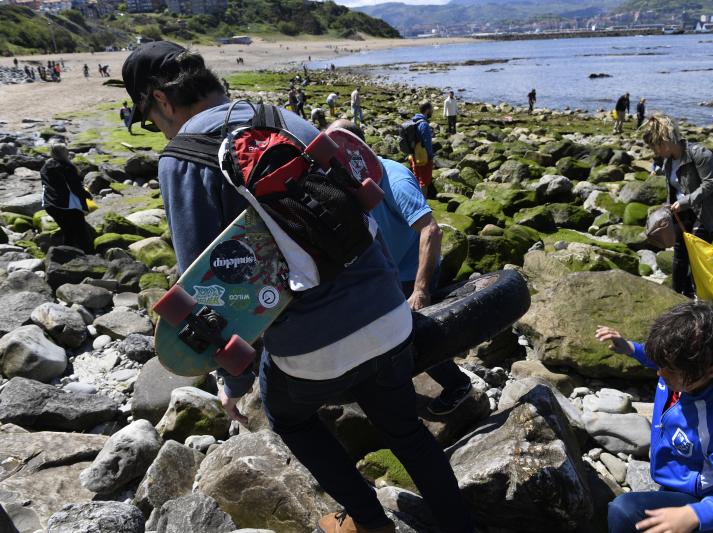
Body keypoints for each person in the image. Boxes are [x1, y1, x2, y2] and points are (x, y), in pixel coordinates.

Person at [122, 41, 473, 533]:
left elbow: (209, 288)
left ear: (160, 99)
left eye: (152, 119)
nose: (160, 130)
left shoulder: (183, 157)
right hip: (391, 316)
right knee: (407, 431)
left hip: (313, 352)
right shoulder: (283, 117)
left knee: (290, 418)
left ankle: (370, 521)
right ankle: (462, 525)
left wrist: (235, 384)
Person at [329, 119, 473, 415]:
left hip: (413, 270)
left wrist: (421, 290)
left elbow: (431, 231)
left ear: (356, 148)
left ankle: (458, 384)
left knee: (408, 333)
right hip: (383, 270)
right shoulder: (345, 179)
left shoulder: (394, 178)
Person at [596, 302, 713, 533]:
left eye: (668, 369)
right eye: (660, 364)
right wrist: (630, 348)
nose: (659, 373)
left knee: (624, 511)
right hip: (677, 483)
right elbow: (659, 358)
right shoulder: (682, 374)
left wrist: (695, 514)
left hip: (707, 504)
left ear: (712, 371)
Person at [640, 114, 713, 298]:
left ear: (665, 141)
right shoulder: (667, 159)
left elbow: (711, 183)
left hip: (709, 211)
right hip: (684, 210)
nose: (653, 152)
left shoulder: (699, 154)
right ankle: (677, 295)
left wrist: (684, 202)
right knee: (680, 251)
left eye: (654, 147)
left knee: (697, 254)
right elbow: (674, 185)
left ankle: (707, 287)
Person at [40, 144, 93, 253]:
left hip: (49, 204)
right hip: (66, 205)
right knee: (81, 232)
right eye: (65, 150)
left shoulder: (45, 167)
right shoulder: (66, 167)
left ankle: (65, 255)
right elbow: (75, 187)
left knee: (68, 231)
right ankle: (90, 254)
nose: (68, 151)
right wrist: (86, 195)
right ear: (62, 152)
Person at [409, 102, 434, 197]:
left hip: (414, 156)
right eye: (431, 109)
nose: (432, 111)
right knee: (424, 182)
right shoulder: (424, 124)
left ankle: (415, 200)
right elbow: (427, 143)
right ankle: (423, 205)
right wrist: (431, 157)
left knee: (416, 179)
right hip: (423, 157)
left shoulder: (413, 121)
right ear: (427, 110)